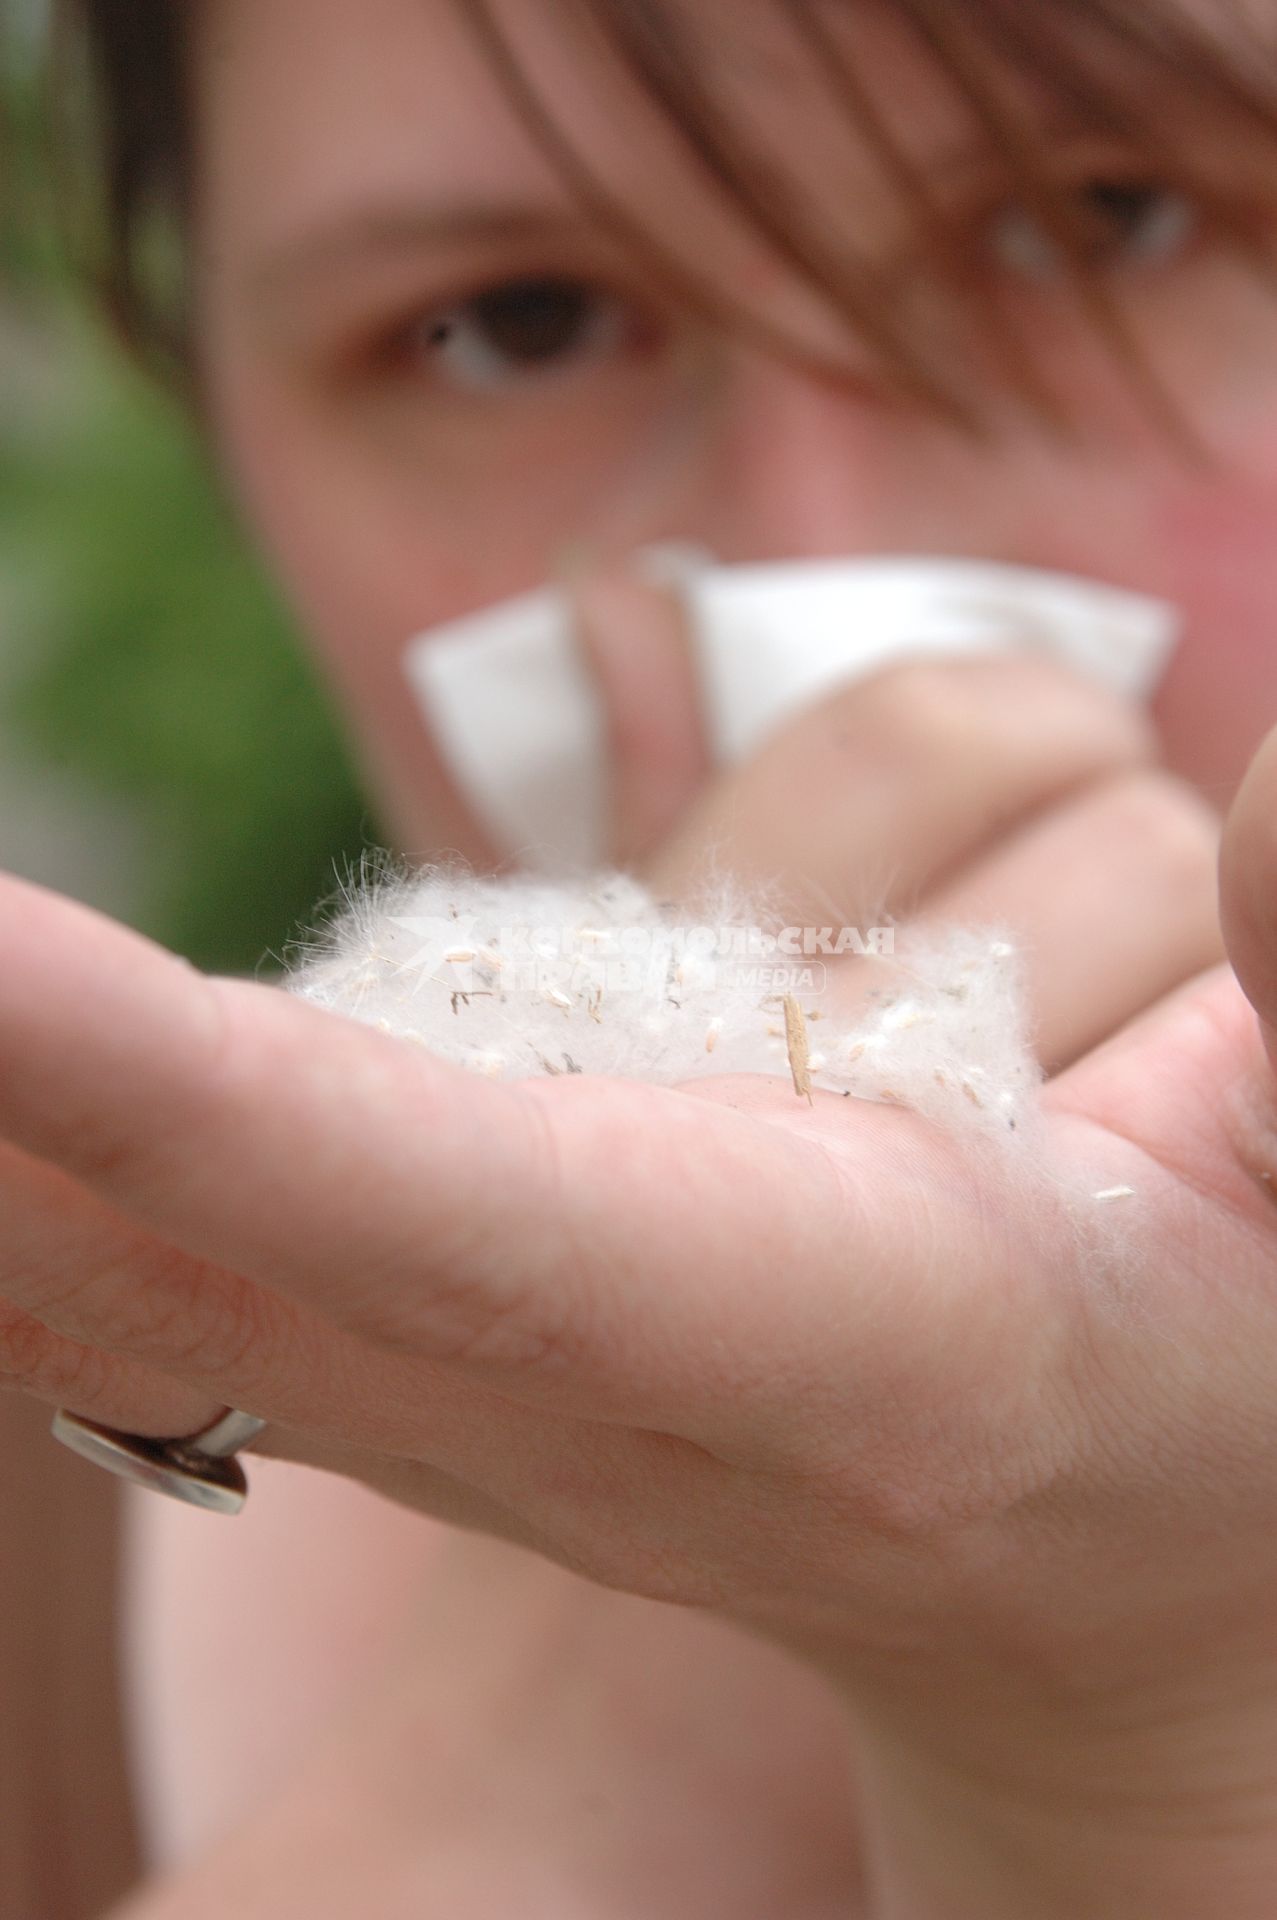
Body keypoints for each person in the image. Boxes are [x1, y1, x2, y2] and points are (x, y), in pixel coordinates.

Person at [9, 1, 1277, 1913]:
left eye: (1103, 216)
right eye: (518, 323)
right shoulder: (88, 1438)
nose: (823, 590)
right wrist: (574, 1740)